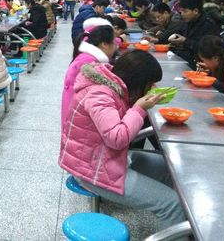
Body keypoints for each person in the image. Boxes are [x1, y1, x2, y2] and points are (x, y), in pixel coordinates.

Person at [59, 51, 186, 230]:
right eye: (150, 83)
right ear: (138, 81)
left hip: (106, 158)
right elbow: (117, 138)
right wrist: (139, 108)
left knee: (169, 168)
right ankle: (175, 226)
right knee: (172, 205)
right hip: (91, 170)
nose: (153, 87)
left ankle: (178, 226)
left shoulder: (113, 85)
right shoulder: (99, 94)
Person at [61, 19, 116, 123]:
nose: (116, 47)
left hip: (75, 111)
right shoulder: (90, 63)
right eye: (114, 43)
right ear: (104, 44)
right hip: (78, 117)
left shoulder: (87, 56)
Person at [167, 0, 220, 67]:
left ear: (195, 11)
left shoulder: (209, 25)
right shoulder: (188, 22)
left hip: (199, 65)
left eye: (185, 11)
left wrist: (185, 41)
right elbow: (175, 31)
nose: (182, 14)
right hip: (184, 60)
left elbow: (208, 49)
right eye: (181, 11)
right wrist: (158, 39)